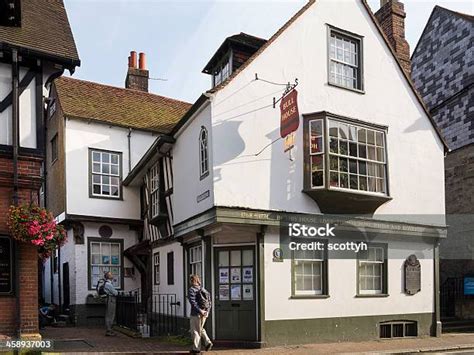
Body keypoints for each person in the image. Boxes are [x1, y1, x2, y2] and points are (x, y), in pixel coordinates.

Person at [188, 274, 213, 354]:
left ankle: (196, 349)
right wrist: (207, 311)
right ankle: (208, 342)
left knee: (195, 331)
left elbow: (193, 302)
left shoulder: (192, 290)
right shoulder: (203, 289)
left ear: (191, 280)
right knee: (200, 329)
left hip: (196, 314)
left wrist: (200, 311)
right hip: (204, 313)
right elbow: (209, 301)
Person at [104, 271, 118, 336]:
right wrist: (116, 291)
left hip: (110, 299)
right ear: (108, 276)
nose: (112, 275)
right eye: (111, 274)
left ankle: (109, 330)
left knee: (109, 314)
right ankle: (109, 330)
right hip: (111, 300)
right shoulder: (108, 284)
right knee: (110, 315)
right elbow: (115, 293)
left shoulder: (108, 283)